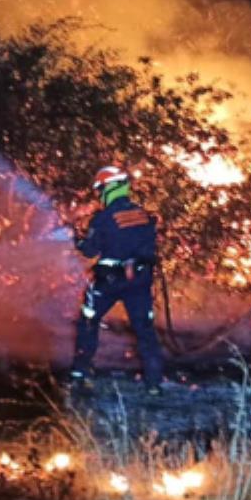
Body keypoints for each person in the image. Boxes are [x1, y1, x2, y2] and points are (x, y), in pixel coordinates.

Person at [69, 165, 164, 394]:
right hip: (139, 282)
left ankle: (79, 377)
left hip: (109, 282)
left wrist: (77, 240)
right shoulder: (143, 215)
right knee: (144, 330)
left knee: (89, 321)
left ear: (109, 188)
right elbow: (150, 249)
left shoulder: (103, 219)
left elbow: (91, 251)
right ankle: (154, 384)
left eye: (100, 189)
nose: (99, 195)